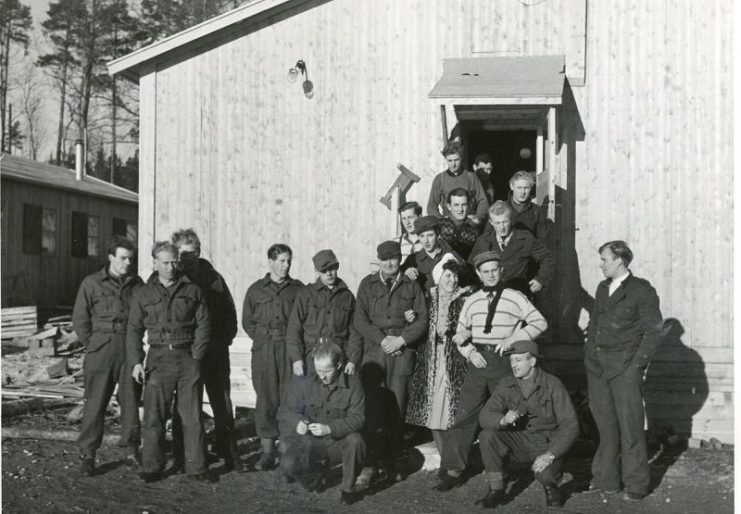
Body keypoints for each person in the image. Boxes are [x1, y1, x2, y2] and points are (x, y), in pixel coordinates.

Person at [435, 251, 547, 492]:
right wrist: (469, 352)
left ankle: (509, 465)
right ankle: (453, 470)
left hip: (504, 363)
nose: (490, 275)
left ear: (501, 271)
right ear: (478, 274)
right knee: (464, 414)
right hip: (477, 362)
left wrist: (514, 339)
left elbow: (540, 322)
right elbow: (460, 334)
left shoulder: (515, 297)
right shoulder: (471, 300)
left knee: (508, 413)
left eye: (494, 270)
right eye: (485, 272)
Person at [584, 241, 663, 502]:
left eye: (604, 259)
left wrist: (636, 366)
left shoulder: (642, 290)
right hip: (599, 369)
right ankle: (607, 480)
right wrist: (590, 356)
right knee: (605, 427)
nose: (601, 264)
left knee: (630, 429)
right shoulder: (603, 288)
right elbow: (594, 324)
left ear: (619, 260)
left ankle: (637, 485)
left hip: (625, 369)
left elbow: (653, 331)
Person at [127, 241, 211, 482]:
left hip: (187, 358)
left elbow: (204, 324)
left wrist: (196, 355)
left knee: (192, 416)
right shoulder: (143, 293)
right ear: (154, 262)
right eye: (165, 262)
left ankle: (197, 467)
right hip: (158, 358)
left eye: (174, 262)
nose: (171, 267)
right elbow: (133, 330)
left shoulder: (193, 290)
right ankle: (152, 466)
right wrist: (136, 361)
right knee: (155, 416)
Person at [354, 240, 428, 482]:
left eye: (394, 258)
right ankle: (370, 464)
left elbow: (421, 321)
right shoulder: (367, 284)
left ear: (399, 259)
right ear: (379, 260)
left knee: (397, 409)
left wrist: (401, 341)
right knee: (373, 409)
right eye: (384, 259)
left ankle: (394, 462)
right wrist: (383, 340)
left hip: (401, 355)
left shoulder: (411, 286)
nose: (389, 263)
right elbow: (360, 320)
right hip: (375, 354)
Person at [476, 340, 578, 509]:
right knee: (487, 435)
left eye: (518, 360)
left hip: (546, 444)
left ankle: (552, 489)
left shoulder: (553, 384)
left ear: (532, 361)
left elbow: (570, 425)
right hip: (520, 442)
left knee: (545, 475)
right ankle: (496, 490)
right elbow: (485, 416)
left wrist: (550, 455)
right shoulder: (506, 383)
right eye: (511, 361)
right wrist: (502, 420)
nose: (513, 365)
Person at [73, 236, 144, 476]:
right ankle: (88, 454)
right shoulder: (91, 283)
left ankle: (131, 451)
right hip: (101, 348)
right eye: (123, 258)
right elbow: (80, 320)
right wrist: (94, 344)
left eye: (130, 259)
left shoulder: (137, 285)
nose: (127, 263)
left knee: (131, 401)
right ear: (111, 257)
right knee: (95, 403)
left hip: (130, 347)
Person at [170, 228, 239, 471]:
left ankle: (227, 452)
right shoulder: (174, 279)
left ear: (199, 252)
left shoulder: (214, 278)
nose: (187, 259)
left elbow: (229, 313)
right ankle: (182, 453)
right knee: (187, 404)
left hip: (215, 352)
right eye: (183, 254)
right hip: (186, 353)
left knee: (221, 401)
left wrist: (224, 340)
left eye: (192, 253)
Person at [279, 342, 366, 505]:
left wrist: (329, 428)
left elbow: (358, 418)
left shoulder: (354, 384)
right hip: (312, 444)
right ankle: (317, 478)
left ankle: (348, 489)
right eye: (318, 370)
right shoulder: (307, 382)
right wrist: (298, 422)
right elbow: (287, 411)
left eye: (327, 371)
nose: (322, 376)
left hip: (338, 443)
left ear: (339, 365)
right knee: (288, 464)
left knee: (356, 440)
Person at [242, 244, 304, 471]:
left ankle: (287, 450)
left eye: (289, 260)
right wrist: (262, 339)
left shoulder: (298, 290)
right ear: (270, 261)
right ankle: (267, 452)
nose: (286, 265)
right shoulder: (256, 290)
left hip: (289, 349)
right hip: (265, 350)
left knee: (290, 399)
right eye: (281, 261)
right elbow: (248, 321)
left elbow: (303, 320)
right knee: (266, 400)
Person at [406, 259, 471, 456]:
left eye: (456, 276)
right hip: (431, 359)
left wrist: (467, 333)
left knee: (453, 409)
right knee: (432, 409)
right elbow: (417, 323)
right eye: (448, 275)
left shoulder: (466, 298)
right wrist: (410, 316)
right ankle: (445, 458)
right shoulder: (427, 298)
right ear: (439, 277)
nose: (453, 280)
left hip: (456, 360)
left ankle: (453, 458)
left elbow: (474, 322)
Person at [286, 249, 363, 377]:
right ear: (317, 271)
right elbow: (294, 329)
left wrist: (353, 360)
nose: (329, 274)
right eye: (324, 270)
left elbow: (355, 332)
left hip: (338, 358)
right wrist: (297, 359)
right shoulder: (306, 294)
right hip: (310, 358)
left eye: (332, 268)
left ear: (337, 267)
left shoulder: (347, 296)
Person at [469, 201, 554, 297]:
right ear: (491, 222)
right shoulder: (483, 241)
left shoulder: (525, 238)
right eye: (497, 223)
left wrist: (541, 280)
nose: (501, 227)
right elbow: (471, 267)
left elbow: (548, 258)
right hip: (490, 295)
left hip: (518, 295)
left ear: (511, 219)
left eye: (505, 222)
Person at [427, 140, 489, 222]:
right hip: (449, 223)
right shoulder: (440, 179)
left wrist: (478, 217)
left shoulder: (471, 177)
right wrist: (440, 219)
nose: (453, 164)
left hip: (468, 222)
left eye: (456, 160)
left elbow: (483, 200)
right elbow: (431, 204)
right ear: (445, 159)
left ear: (461, 159)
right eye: (450, 161)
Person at [401, 216, 463, 292]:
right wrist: (406, 272)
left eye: (430, 235)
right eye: (422, 236)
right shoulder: (412, 260)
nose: (426, 241)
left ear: (438, 235)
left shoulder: (451, 255)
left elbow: (465, 281)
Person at [437, 188, 483, 260]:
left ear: (468, 206)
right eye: (456, 205)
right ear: (449, 206)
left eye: (464, 205)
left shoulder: (474, 230)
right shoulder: (439, 225)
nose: (460, 209)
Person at [506, 171, 547, 239]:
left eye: (526, 188)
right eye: (519, 188)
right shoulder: (501, 208)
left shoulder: (537, 211)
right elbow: (487, 237)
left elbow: (543, 240)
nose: (523, 192)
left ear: (531, 188)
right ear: (511, 186)